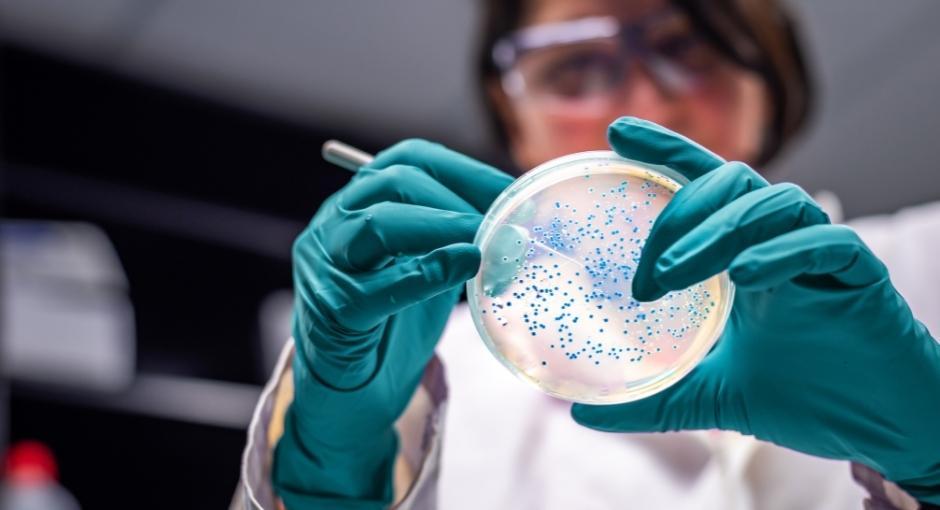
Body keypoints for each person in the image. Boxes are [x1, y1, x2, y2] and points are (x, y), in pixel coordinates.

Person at [233, 0, 940, 508]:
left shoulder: (928, 260)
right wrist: (335, 467)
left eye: (685, 47)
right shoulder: (436, 368)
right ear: (515, 117)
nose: (639, 98)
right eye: (574, 69)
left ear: (770, 84)